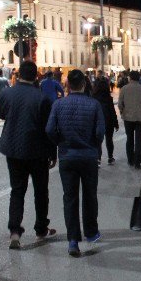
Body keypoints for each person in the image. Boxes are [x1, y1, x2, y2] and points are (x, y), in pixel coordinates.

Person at [0, 60, 57, 249]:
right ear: (36, 76)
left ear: (18, 74)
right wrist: (52, 152)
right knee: (40, 191)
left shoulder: (7, 93)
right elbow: (48, 128)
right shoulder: (42, 98)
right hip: (37, 151)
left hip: (13, 148)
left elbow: (1, 114)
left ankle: (15, 232)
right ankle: (41, 228)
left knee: (17, 190)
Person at [46, 69, 105, 257]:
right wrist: (93, 146)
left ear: (68, 85)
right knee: (90, 195)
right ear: (85, 84)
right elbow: (100, 131)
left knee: (69, 198)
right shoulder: (94, 105)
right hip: (88, 156)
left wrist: (60, 143)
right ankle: (91, 232)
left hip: (67, 157)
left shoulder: (58, 104)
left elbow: (49, 129)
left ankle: (73, 239)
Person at [118, 70, 141, 169]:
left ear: (130, 78)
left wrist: (122, 111)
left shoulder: (124, 89)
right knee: (138, 140)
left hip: (128, 117)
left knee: (129, 139)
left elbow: (120, 103)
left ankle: (130, 160)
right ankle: (137, 162)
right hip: (140, 118)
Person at [91, 76, 119, 165]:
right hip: (108, 121)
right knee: (109, 140)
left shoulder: (93, 98)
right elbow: (112, 111)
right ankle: (110, 158)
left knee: (98, 141)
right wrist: (116, 123)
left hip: (97, 122)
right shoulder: (108, 98)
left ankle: (98, 159)